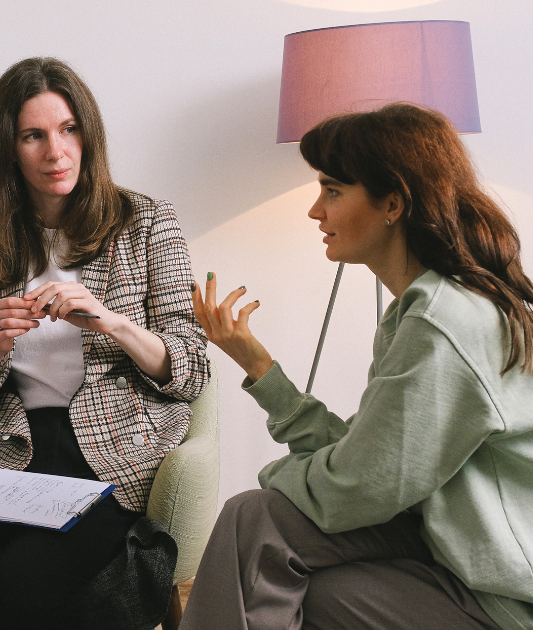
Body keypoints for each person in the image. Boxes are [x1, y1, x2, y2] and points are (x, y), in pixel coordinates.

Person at [0, 58, 210, 629]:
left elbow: (191, 366)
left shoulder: (149, 223)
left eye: (68, 129)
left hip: (109, 453)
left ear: (88, 135)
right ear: (9, 149)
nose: (55, 151)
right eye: (34, 136)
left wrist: (111, 322)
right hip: (13, 448)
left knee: (20, 587)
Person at [182, 103, 533, 629]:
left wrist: (278, 474)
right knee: (300, 570)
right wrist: (258, 365)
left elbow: (362, 486)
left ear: (392, 203)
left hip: (503, 598)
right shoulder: (421, 310)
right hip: (450, 551)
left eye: (332, 191)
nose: (315, 211)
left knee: (263, 523)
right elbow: (371, 462)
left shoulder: (445, 323)